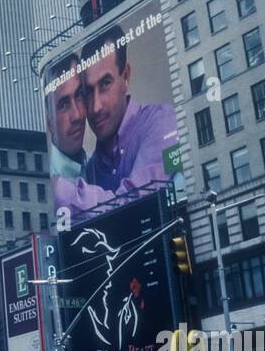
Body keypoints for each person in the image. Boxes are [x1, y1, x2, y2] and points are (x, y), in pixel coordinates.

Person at [55, 23, 176, 215]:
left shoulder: (161, 122)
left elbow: (138, 205)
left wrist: (60, 191)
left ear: (125, 76)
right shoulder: (92, 168)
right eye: (87, 92)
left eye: (105, 84)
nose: (95, 107)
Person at [45, 52, 88, 181]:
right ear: (49, 121)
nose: (78, 115)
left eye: (79, 95)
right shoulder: (52, 181)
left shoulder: (96, 166)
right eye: (64, 105)